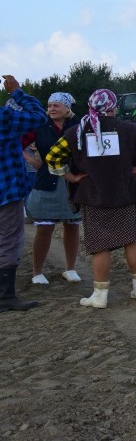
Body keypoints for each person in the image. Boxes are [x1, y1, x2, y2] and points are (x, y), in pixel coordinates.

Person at [44, 89, 136, 309]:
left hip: (94, 198)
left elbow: (52, 158)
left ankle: (100, 297)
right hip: (126, 195)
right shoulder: (130, 129)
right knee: (131, 241)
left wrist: (71, 177)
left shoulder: (75, 133)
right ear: (112, 107)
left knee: (100, 247)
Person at [22, 92, 82, 285]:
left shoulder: (78, 125)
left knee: (72, 226)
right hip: (47, 182)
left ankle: (70, 269)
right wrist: (32, 160)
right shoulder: (39, 126)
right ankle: (37, 272)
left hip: (72, 183)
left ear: (67, 109)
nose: (52, 109)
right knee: (45, 227)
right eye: (49, 105)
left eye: (56, 105)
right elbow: (17, 142)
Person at [0, 74, 47, 312]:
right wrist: (17, 92)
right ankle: (5, 296)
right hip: (5, 189)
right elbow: (38, 117)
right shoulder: (4, 116)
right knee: (8, 240)